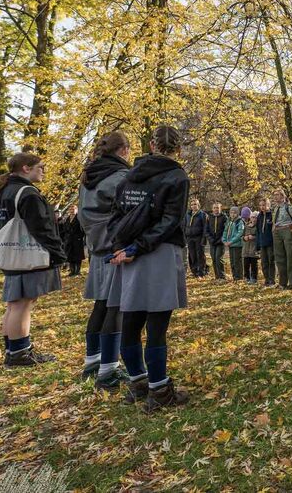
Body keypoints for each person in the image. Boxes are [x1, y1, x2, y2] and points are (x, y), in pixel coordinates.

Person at [108, 125, 190, 411]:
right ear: (177, 148)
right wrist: (137, 247)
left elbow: (117, 214)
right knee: (156, 324)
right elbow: (170, 221)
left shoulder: (130, 175)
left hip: (130, 253)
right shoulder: (177, 176)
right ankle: (158, 390)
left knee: (130, 320)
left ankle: (137, 381)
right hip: (158, 252)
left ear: (152, 145)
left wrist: (123, 246)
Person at [0, 152, 66, 367]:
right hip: (27, 254)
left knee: (14, 303)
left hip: (11, 253)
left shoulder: (5, 191)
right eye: (40, 167)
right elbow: (41, 227)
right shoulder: (28, 193)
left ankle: (12, 349)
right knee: (23, 303)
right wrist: (57, 252)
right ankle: (20, 353)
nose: (43, 170)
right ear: (26, 168)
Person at [77, 132, 131, 388]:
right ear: (124, 150)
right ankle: (108, 369)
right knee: (116, 306)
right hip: (115, 247)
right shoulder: (120, 177)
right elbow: (128, 214)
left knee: (101, 304)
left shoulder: (88, 177)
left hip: (96, 245)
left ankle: (92, 362)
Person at [271, 188, 292, 289]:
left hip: (288, 230)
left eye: (278, 194)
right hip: (277, 232)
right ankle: (282, 283)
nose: (276, 196)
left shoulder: (290, 207)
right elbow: (275, 221)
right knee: (279, 257)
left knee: (290, 257)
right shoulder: (275, 208)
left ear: (283, 196)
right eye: (274, 195)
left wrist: (291, 232)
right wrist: (274, 230)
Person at [184, 198, 207, 278]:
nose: (193, 206)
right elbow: (184, 226)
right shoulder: (188, 214)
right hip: (189, 237)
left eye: (195, 204)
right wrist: (184, 236)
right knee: (192, 255)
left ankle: (201, 272)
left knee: (200, 255)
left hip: (199, 237)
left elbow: (205, 227)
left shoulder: (202, 214)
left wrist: (204, 238)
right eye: (192, 204)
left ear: (198, 205)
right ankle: (194, 271)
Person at [255, 198, 275, 287]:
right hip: (262, 243)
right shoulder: (259, 216)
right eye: (261, 205)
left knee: (271, 261)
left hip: (271, 243)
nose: (262, 207)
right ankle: (266, 279)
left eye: (264, 205)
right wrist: (257, 244)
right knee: (264, 262)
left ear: (268, 205)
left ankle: (272, 280)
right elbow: (258, 231)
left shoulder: (272, 215)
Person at [205, 203, 227, 281]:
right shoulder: (209, 217)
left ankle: (222, 277)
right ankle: (217, 276)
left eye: (217, 208)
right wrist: (211, 239)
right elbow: (206, 230)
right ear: (212, 209)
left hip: (220, 242)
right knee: (213, 258)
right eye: (214, 208)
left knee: (218, 258)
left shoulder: (224, 217)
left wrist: (220, 239)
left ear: (220, 208)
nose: (216, 209)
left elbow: (226, 230)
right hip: (212, 242)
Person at [62, 204, 86, 277]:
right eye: (70, 209)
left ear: (76, 210)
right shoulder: (67, 219)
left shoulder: (79, 218)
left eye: (73, 209)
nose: (72, 211)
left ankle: (77, 271)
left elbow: (83, 229)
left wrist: (80, 237)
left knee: (78, 256)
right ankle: (72, 271)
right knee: (70, 256)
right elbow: (65, 229)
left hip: (77, 240)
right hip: (69, 240)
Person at [222, 206, 244, 282]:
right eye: (231, 212)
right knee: (232, 262)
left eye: (234, 213)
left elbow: (240, 233)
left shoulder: (239, 221)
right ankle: (234, 277)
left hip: (237, 245)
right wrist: (224, 240)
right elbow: (225, 231)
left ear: (237, 213)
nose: (233, 214)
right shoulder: (229, 221)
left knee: (237, 261)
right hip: (230, 245)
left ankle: (239, 277)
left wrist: (231, 241)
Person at [242, 212, 259, 285]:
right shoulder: (246, 226)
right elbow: (242, 236)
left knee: (254, 265)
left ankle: (254, 278)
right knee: (246, 264)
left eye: (255, 217)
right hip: (246, 249)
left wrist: (254, 237)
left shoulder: (258, 226)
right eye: (252, 217)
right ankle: (246, 277)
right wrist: (244, 238)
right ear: (250, 218)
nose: (253, 219)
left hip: (253, 249)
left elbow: (259, 236)